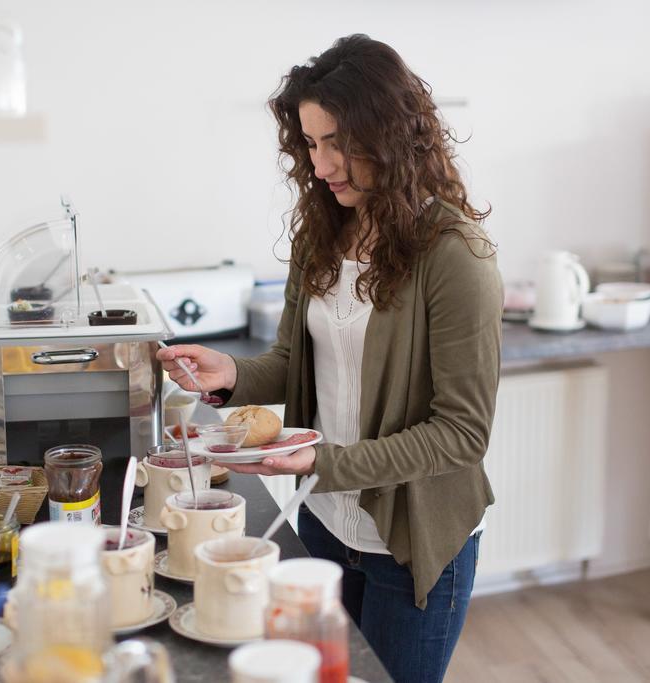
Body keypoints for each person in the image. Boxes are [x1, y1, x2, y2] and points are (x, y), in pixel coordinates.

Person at [157, 34, 502, 683]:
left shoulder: (456, 255)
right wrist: (231, 374)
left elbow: (462, 434)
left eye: (336, 142)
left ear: (392, 135)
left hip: (410, 545)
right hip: (323, 526)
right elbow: (294, 360)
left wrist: (324, 459)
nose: (320, 165)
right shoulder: (323, 234)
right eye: (311, 144)